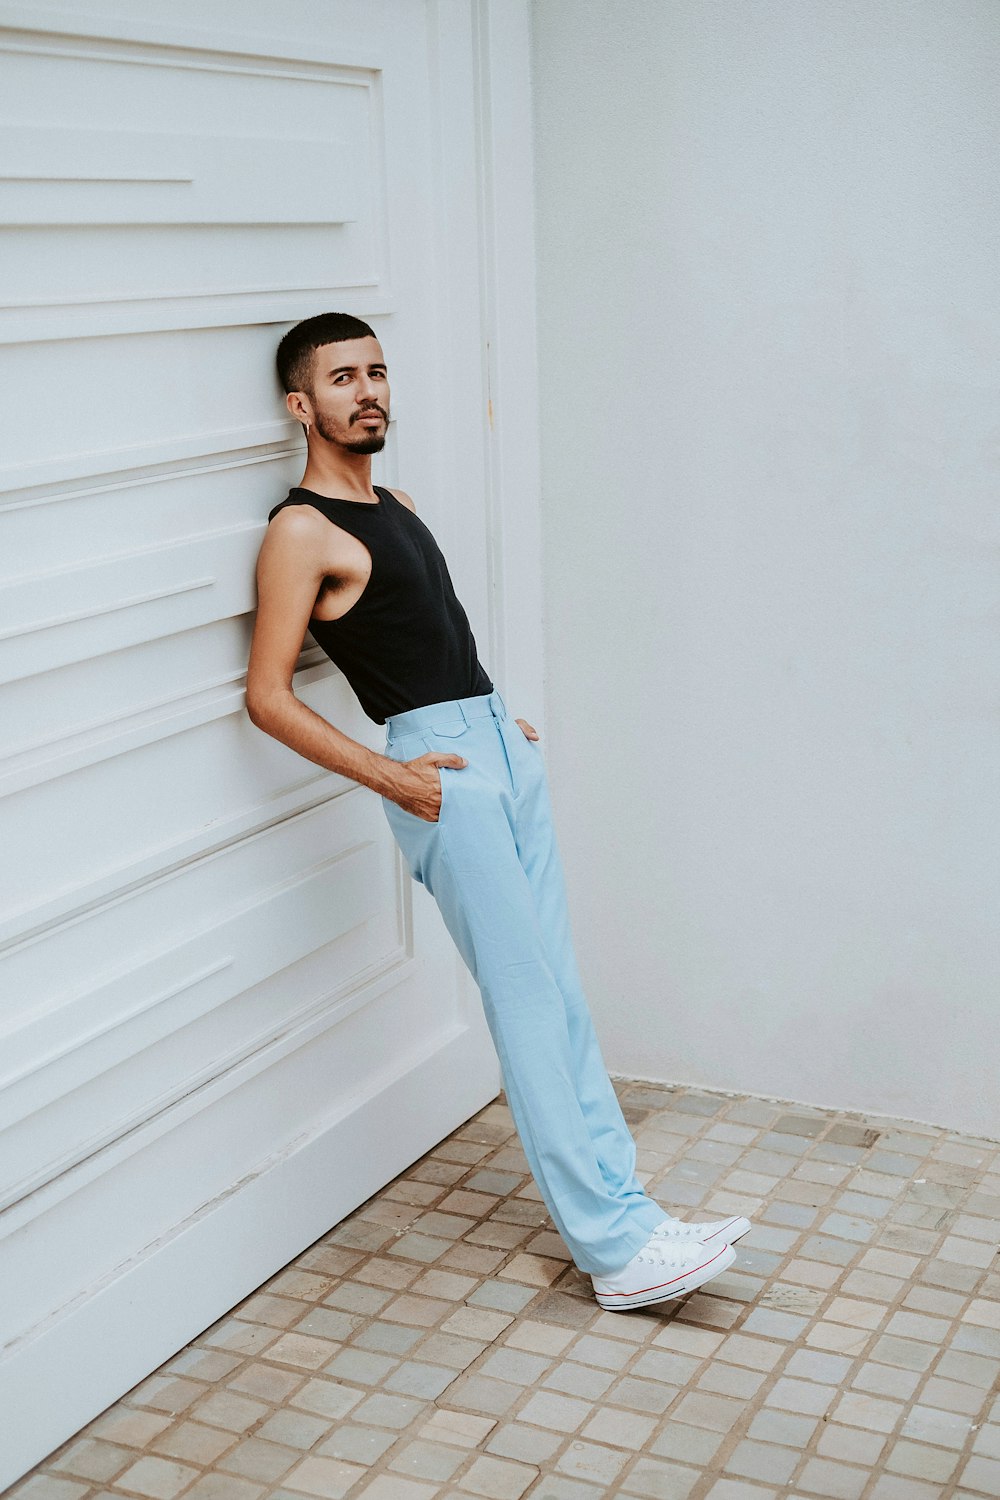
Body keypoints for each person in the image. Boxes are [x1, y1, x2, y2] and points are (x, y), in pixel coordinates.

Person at [245, 312, 751, 1311]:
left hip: (493, 750)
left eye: (378, 371)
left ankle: (636, 1215)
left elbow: (423, 636)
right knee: (525, 1010)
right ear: (300, 406)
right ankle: (612, 1255)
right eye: (342, 378)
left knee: (560, 996)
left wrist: (491, 721)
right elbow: (267, 695)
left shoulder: (397, 502)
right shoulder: (301, 530)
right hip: (439, 777)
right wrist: (398, 777)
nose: (368, 390)